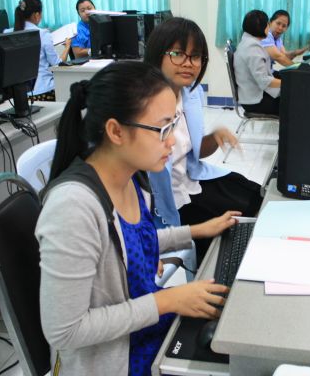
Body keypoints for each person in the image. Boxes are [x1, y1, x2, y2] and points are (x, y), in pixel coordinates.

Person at [36, 61, 239, 375]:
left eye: (174, 124)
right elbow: (65, 331)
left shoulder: (131, 176)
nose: (172, 141)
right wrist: (169, 301)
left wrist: (197, 230)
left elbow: (130, 243)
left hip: (143, 328)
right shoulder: (72, 208)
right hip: (113, 359)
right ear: (116, 131)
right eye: (163, 128)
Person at [144, 17, 263, 262]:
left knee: (255, 195)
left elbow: (194, 153)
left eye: (196, 56)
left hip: (193, 177)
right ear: (157, 54)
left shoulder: (190, 93)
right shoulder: (143, 106)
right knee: (233, 226)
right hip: (171, 199)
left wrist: (214, 137)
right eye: (178, 54)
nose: (188, 63)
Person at [10, 0, 71, 101]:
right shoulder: (42, 34)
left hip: (20, 96)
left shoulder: (8, 33)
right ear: (36, 15)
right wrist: (67, 47)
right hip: (44, 91)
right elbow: (57, 64)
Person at [234, 9, 281, 116]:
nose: (269, 27)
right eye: (267, 24)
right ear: (261, 26)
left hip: (255, 94)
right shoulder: (252, 48)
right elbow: (263, 80)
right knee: (294, 103)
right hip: (256, 102)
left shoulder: (249, 41)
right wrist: (288, 82)